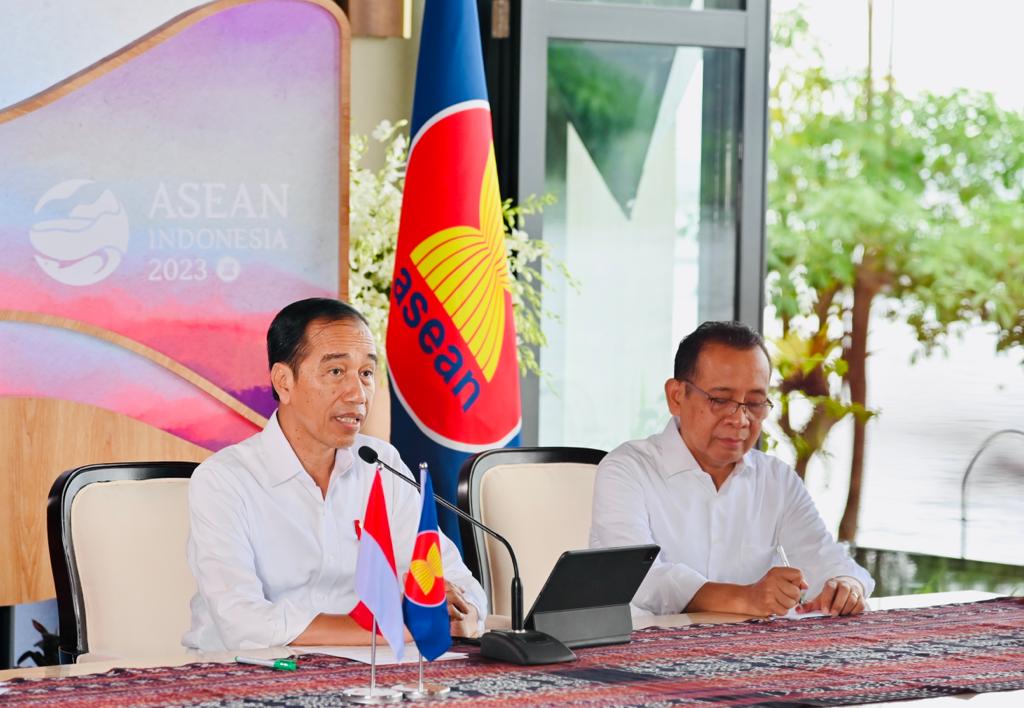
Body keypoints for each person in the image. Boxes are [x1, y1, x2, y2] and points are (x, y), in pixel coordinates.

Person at [183, 298, 486, 651]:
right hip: (246, 670)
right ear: (284, 382)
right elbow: (242, 622)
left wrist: (460, 612)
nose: (358, 394)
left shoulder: (380, 463)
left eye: (366, 373)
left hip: (370, 667)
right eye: (336, 372)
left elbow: (460, 582)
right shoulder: (224, 480)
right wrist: (392, 628)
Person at [589, 321, 873, 618]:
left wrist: (845, 586)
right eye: (721, 400)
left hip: (756, 647)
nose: (740, 419)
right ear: (676, 396)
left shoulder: (775, 479)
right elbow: (636, 579)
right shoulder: (627, 470)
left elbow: (827, 561)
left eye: (755, 402)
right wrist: (746, 598)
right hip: (647, 644)